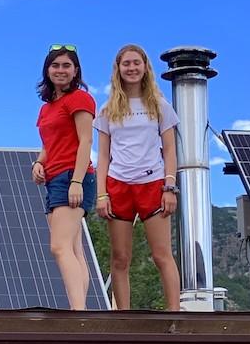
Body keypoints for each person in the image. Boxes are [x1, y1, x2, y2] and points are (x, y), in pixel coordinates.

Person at [94, 44, 181, 311]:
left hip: (152, 184)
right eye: (126, 64)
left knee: (161, 254)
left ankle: (174, 315)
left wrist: (170, 185)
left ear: (145, 67)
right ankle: (124, 317)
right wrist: (101, 194)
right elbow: (104, 156)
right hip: (118, 185)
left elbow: (169, 149)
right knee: (120, 258)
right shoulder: (108, 110)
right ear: (118, 69)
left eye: (136, 63)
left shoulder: (159, 106)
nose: (131, 68)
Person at [31, 44, 97, 310]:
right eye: (55, 65)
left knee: (59, 247)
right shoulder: (48, 108)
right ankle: (80, 309)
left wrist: (76, 181)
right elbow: (50, 143)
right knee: (74, 249)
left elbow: (85, 141)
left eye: (66, 65)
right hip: (54, 177)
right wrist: (39, 162)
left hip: (72, 176)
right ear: (47, 70)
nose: (60, 70)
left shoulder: (79, 99)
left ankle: (77, 312)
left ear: (76, 70)